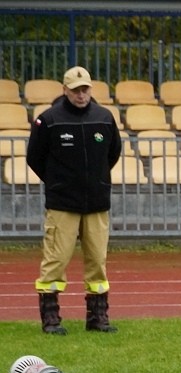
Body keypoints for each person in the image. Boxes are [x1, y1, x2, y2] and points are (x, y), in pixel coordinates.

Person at [27, 66, 121, 335]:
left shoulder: (105, 118)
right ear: (65, 90)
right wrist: (57, 182)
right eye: (76, 89)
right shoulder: (49, 120)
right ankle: (51, 319)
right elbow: (35, 158)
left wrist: (97, 179)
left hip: (97, 203)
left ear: (91, 89)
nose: (81, 94)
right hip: (62, 204)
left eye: (85, 89)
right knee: (55, 260)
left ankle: (97, 318)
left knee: (97, 261)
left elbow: (113, 152)